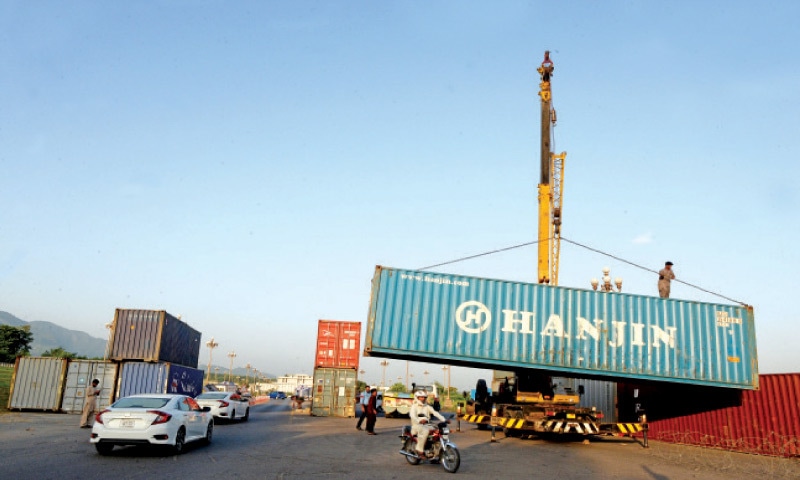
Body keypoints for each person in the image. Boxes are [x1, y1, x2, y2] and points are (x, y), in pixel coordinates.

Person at [409, 390, 447, 458]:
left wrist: (444, 420)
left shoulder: (427, 406)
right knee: (425, 431)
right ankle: (420, 450)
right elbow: (412, 416)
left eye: (424, 397)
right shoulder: (414, 406)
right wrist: (419, 421)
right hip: (416, 426)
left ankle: (436, 452)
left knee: (438, 431)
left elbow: (435, 413)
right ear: (417, 398)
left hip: (427, 425)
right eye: (421, 397)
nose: (423, 399)